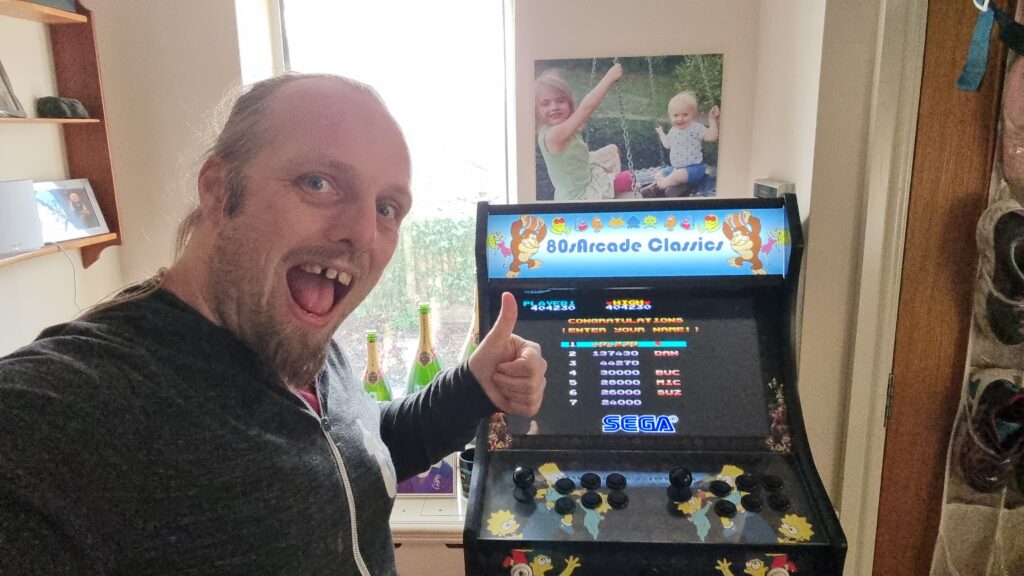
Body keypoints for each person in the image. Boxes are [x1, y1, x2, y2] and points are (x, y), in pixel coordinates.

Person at [0, 74, 547, 575]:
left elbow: (353, 457)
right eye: (318, 183)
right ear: (218, 189)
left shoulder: (304, 340)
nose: (362, 232)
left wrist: (474, 388)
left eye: (387, 207)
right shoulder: (66, 409)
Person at [535, 63, 626, 201]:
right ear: (537, 110)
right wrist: (609, 77)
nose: (554, 107)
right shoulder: (553, 136)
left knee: (614, 151)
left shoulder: (562, 126)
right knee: (629, 179)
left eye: (560, 101)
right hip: (580, 195)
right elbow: (586, 108)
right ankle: (650, 186)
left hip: (579, 174)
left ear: (569, 103)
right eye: (546, 103)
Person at [653, 90, 720, 192]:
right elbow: (668, 145)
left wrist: (712, 120)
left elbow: (712, 136)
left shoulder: (695, 128)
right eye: (676, 115)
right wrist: (662, 134)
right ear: (670, 116)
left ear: (693, 115)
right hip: (676, 168)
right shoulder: (673, 130)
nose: (680, 118)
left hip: (694, 169)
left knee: (679, 175)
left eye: (685, 115)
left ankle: (662, 185)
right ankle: (672, 183)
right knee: (658, 174)